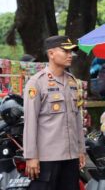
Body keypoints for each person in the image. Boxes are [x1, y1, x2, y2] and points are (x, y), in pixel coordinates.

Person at [23, 35, 86, 190]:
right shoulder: (36, 82)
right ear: (51, 54)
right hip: (47, 158)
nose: (70, 55)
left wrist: (81, 149)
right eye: (65, 51)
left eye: (72, 52)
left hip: (70, 157)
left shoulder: (72, 82)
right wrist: (31, 156)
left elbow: (77, 118)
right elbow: (30, 122)